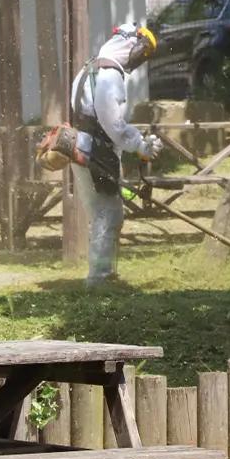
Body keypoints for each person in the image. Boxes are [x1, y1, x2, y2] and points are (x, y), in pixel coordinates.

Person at [67, 24, 164, 285]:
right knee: (106, 215)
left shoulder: (90, 68)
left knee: (106, 214)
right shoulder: (109, 76)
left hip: (84, 148)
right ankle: (98, 280)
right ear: (128, 44)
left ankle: (104, 274)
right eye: (141, 51)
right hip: (96, 152)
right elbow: (114, 125)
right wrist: (140, 145)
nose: (139, 59)